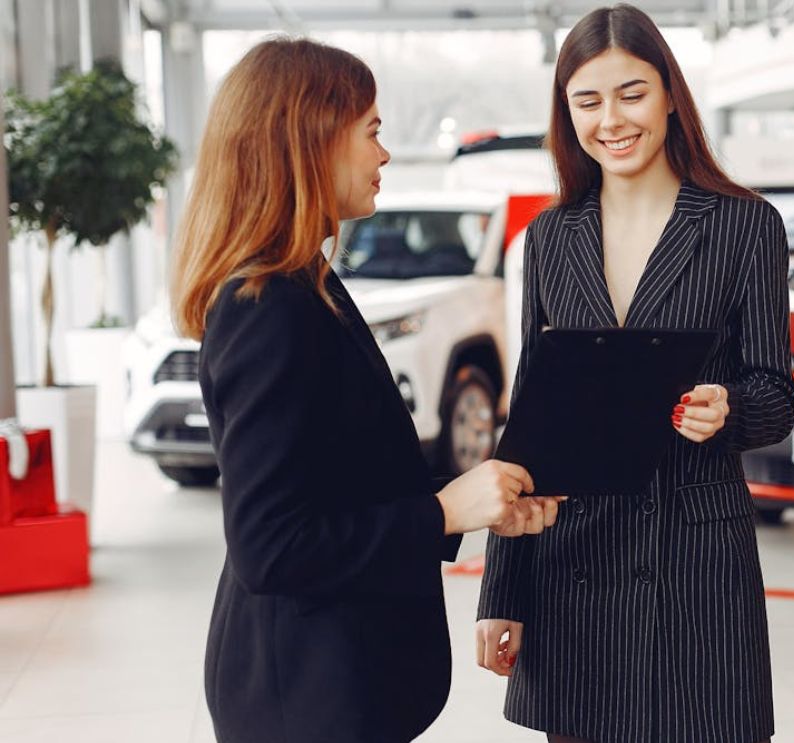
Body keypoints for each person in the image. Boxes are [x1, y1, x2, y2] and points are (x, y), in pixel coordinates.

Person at [170, 38, 562, 743]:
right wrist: (442, 511)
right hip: (305, 696)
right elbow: (272, 545)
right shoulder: (268, 305)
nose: (384, 154)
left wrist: (474, 502)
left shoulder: (305, 283)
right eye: (372, 132)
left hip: (335, 680)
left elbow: (338, 478)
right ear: (308, 138)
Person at [475, 5, 794, 743]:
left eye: (632, 93)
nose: (611, 120)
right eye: (587, 101)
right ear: (567, 113)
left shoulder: (743, 225)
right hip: (574, 559)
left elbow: (777, 393)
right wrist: (502, 589)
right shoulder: (551, 237)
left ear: (670, 96)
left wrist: (730, 408)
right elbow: (531, 419)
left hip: (694, 564)